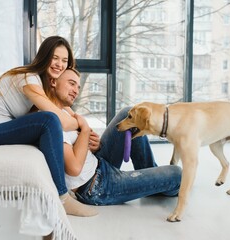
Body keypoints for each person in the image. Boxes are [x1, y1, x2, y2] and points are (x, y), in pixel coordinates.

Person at [0, 36, 97, 217]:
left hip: (0, 127)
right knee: (48, 120)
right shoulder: (28, 79)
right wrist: (82, 124)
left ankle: (63, 193)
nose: (59, 64)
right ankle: (62, 197)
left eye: (64, 60)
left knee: (49, 119)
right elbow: (62, 120)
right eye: (55, 58)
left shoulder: (42, 83)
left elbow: (64, 110)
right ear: (45, 56)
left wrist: (83, 129)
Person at [47, 68, 182, 206]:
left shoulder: (63, 111)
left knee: (128, 114)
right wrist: (85, 130)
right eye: (71, 83)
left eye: (78, 86)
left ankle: (152, 174)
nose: (76, 90)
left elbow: (74, 147)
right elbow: (74, 169)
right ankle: (158, 183)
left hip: (98, 162)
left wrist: (92, 145)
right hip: (97, 185)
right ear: (53, 81)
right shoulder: (52, 120)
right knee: (177, 175)